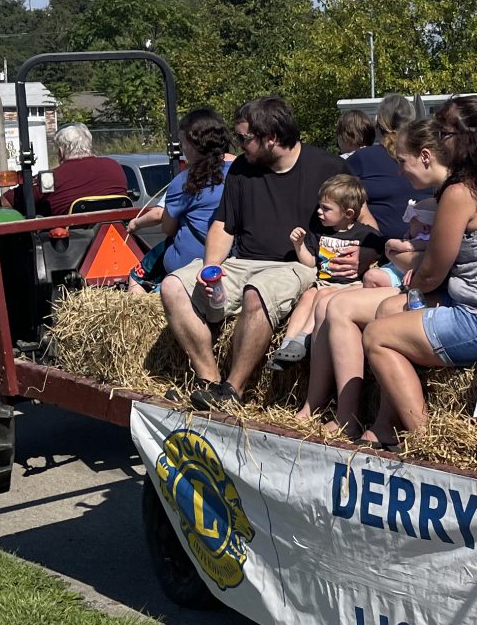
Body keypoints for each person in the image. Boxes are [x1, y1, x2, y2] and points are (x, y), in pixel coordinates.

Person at [358, 96, 477, 446]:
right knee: (388, 310)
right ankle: (384, 426)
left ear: (466, 138)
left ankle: (423, 438)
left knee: (376, 336)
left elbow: (432, 274)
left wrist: (411, 282)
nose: (438, 141)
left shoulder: (460, 192)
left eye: (443, 133)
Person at [171, 97, 339, 406]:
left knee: (255, 291)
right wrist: (210, 270)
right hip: (243, 262)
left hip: (296, 266)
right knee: (173, 286)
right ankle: (209, 379)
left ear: (271, 138)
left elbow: (364, 219)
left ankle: (233, 389)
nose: (238, 144)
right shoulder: (239, 171)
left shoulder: (328, 167)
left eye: (244, 138)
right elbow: (223, 225)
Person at [300, 120, 448, 431]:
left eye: (402, 162)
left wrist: (397, 253)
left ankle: (353, 417)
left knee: (340, 305)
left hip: (439, 292)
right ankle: (324, 406)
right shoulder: (440, 193)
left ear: (425, 156)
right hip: (418, 281)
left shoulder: (453, 195)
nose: (399, 172)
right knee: (328, 300)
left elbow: (439, 263)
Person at [132, 108, 233, 368]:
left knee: (137, 274)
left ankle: (135, 312)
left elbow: (167, 227)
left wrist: (135, 224)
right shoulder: (238, 173)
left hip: (186, 266)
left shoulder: (184, 181)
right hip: (231, 260)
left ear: (190, 143)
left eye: (182, 142)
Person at [267, 174, 385, 369]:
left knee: (321, 295)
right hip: (324, 282)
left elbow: (381, 249)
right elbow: (311, 262)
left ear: (348, 213)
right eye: (320, 206)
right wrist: (298, 245)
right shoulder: (320, 232)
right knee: (308, 296)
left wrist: (369, 255)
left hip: (350, 286)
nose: (319, 212)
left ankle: (305, 338)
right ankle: (287, 344)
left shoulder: (365, 233)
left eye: (326, 209)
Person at [347, 94, 415, 249]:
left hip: (377, 251)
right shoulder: (425, 158)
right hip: (423, 248)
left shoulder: (362, 158)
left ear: (377, 122)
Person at [38, 122, 130, 215]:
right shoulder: (114, 166)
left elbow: (29, 201)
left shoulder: (53, 177)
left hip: (72, 228)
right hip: (117, 226)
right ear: (89, 145)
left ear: (61, 152)